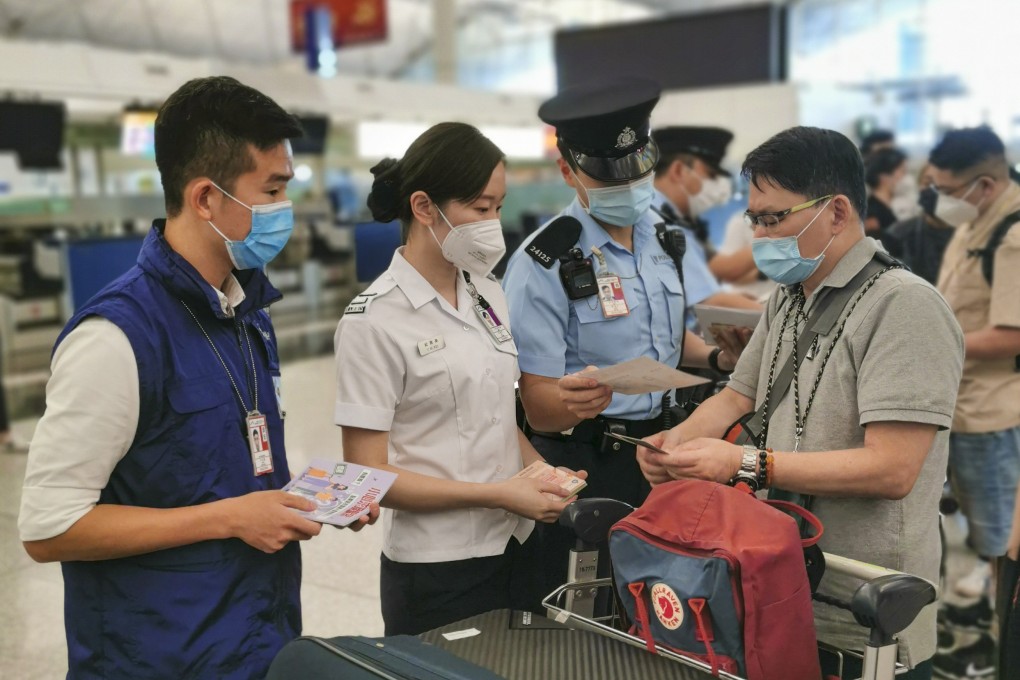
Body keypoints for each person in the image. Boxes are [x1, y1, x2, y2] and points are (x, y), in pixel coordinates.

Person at [17, 76, 377, 680]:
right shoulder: (117, 337)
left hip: (254, 638)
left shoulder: (245, 313)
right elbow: (49, 527)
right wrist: (232, 517)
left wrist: (305, 501)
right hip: (156, 657)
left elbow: (230, 468)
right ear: (206, 198)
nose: (283, 210)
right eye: (271, 190)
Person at [637, 126, 964, 679]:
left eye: (774, 219)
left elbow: (893, 468)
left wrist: (743, 462)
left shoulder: (904, 307)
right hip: (778, 580)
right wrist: (676, 442)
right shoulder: (790, 297)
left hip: (863, 603)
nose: (761, 236)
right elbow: (738, 394)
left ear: (836, 212)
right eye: (754, 219)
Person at [333, 122, 583, 636]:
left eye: (498, 206)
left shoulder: (487, 294)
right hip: (437, 570)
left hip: (516, 547)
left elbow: (491, 416)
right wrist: (497, 494)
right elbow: (368, 475)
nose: (494, 222)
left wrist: (542, 473)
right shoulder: (373, 321)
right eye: (479, 207)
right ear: (424, 207)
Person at [501, 77, 747, 599]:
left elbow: (668, 340)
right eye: (610, 178)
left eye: (639, 171)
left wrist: (720, 357)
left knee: (663, 606)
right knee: (587, 618)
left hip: (666, 452)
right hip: (590, 463)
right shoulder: (544, 262)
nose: (629, 188)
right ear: (569, 170)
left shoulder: (662, 237)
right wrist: (573, 403)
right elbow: (537, 408)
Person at [930, 127, 1020, 606]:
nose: (941, 201)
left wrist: (932, 341)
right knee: (979, 518)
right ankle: (991, 592)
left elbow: (1012, 335)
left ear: (983, 185)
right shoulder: (975, 222)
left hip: (992, 411)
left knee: (999, 529)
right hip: (961, 401)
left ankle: (999, 623)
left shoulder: (1013, 235)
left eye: (947, 191)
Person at [650, 126, 762, 316]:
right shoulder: (656, 222)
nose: (718, 184)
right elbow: (711, 296)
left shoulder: (679, 222)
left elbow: (711, 277)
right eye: (710, 175)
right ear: (678, 170)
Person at [885, 164, 955, 286]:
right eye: (928, 183)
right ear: (919, 186)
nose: (934, 190)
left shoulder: (970, 236)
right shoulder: (897, 235)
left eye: (942, 185)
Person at [864, 147, 908, 255]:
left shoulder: (897, 205)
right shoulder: (871, 214)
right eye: (902, 171)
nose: (905, 177)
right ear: (884, 176)